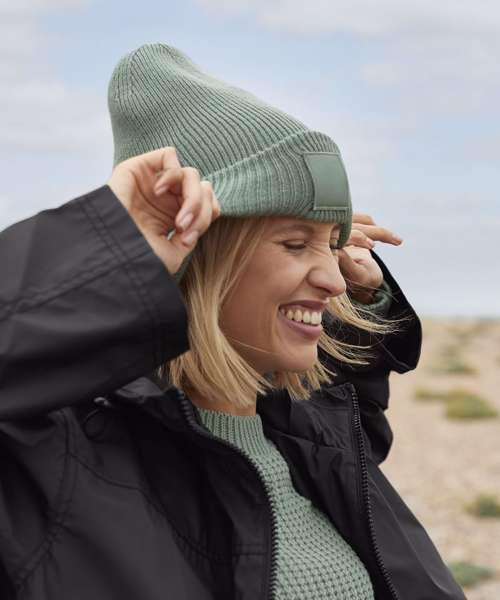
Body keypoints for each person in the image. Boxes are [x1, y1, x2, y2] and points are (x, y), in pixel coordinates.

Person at [0, 44, 466, 600]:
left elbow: (351, 415)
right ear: (197, 256)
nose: (336, 281)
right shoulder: (62, 460)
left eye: (333, 245)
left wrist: (360, 298)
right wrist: (111, 253)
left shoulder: (302, 434)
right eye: (294, 243)